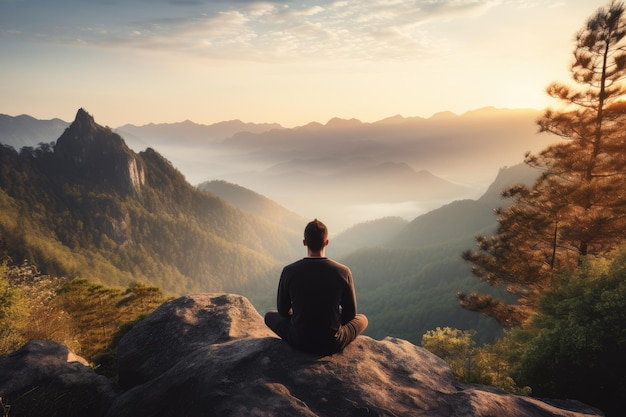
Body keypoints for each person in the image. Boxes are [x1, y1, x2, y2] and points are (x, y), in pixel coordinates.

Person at [264, 219, 368, 355]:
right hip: (331, 343)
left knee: (269, 316)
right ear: (326, 242)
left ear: (304, 242)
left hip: (299, 340)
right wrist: (331, 318)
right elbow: (350, 315)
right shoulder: (343, 271)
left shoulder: (289, 271)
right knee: (362, 319)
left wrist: (302, 316)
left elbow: (283, 311)